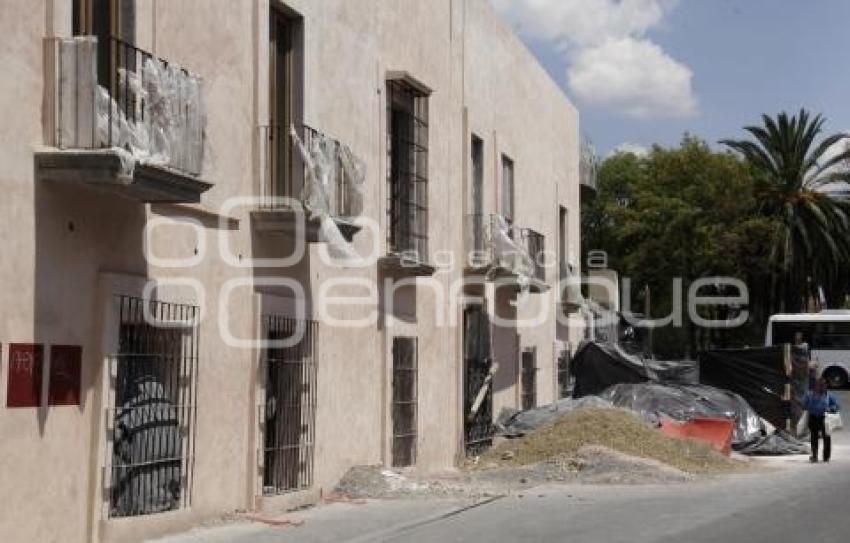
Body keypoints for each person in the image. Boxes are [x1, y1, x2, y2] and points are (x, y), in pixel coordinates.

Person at [803, 377, 840, 463]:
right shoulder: (809, 395)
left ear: (826, 386)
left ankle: (826, 456)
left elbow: (837, 406)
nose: (822, 387)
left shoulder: (828, 395)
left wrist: (830, 408)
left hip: (825, 419)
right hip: (813, 418)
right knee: (814, 437)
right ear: (816, 386)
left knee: (826, 437)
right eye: (820, 385)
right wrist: (809, 405)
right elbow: (804, 405)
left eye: (823, 385)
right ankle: (814, 456)